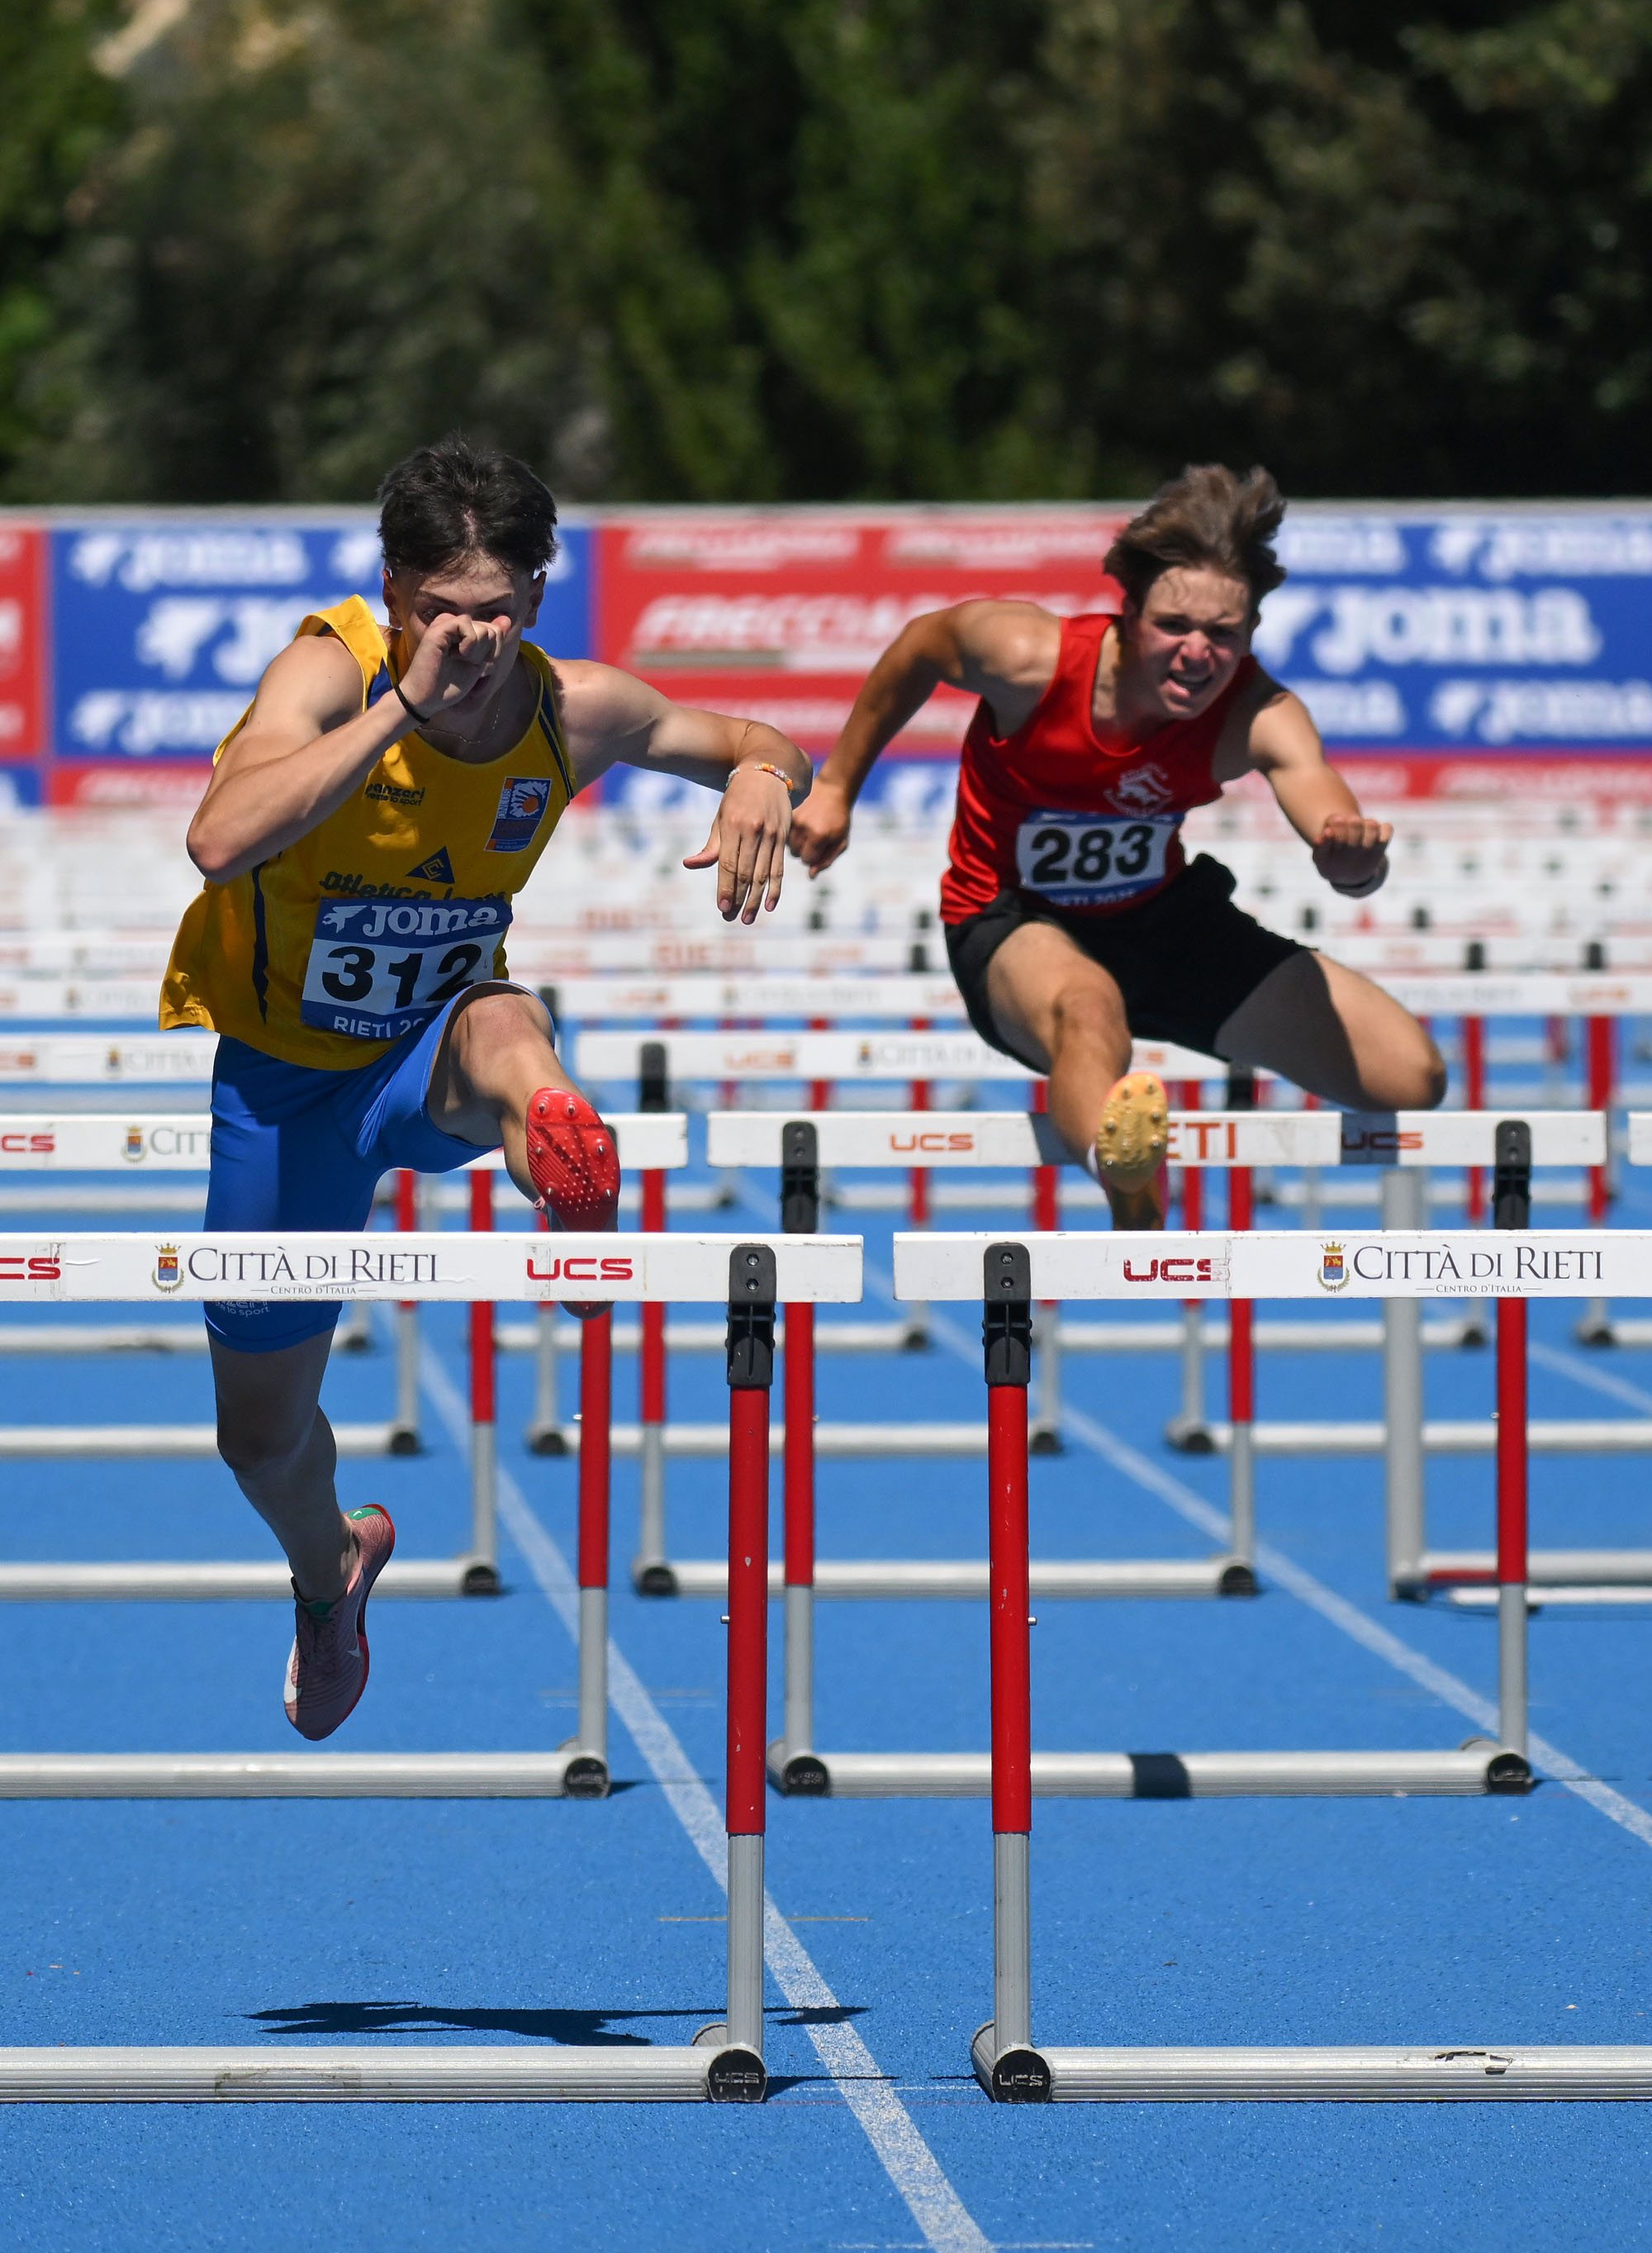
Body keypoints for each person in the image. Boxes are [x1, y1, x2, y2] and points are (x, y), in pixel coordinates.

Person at [164, 433, 809, 1741]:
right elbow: (219, 839)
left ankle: (559, 1163)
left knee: (510, 1028)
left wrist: (762, 778)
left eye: (499, 611)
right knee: (261, 1443)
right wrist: (401, 707)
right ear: (393, 592)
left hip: (434, 1045)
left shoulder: (574, 710)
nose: (471, 638)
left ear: (538, 595)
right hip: (285, 1083)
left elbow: (761, 739)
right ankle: (330, 1568)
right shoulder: (330, 671)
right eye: (444, 611)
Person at [789, 463, 1443, 1224]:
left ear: (1250, 636)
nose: (1197, 654)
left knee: (1411, 1076)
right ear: (1129, 614)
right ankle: (1126, 1179)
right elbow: (919, 647)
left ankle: (1126, 1130)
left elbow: (1327, 808)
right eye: (1174, 626)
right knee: (1088, 1006)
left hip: (1161, 925)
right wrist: (838, 786)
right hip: (1013, 917)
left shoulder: (1259, 713)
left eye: (1223, 635)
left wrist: (1354, 866)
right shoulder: (1027, 657)